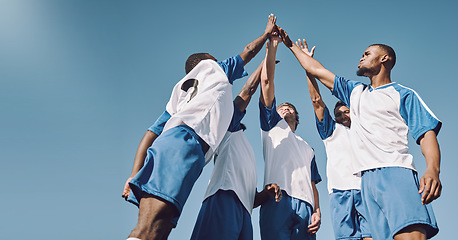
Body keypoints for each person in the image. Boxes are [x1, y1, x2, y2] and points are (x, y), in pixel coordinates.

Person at [121, 14, 278, 240]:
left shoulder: (182, 95)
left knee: (160, 226)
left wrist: (134, 174)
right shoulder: (212, 69)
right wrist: (266, 35)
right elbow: (248, 54)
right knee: (151, 227)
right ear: (207, 61)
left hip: (177, 145)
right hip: (184, 143)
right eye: (215, 58)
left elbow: (151, 133)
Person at [279, 28, 442, 240]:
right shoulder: (355, 92)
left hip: (395, 170)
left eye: (366, 54)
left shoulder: (403, 94)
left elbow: (426, 133)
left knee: (409, 236)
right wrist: (289, 44)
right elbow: (315, 69)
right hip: (366, 181)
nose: (361, 57)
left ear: (384, 58)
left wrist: (433, 169)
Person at [190, 56, 282, 240]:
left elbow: (251, 197)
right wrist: (265, 63)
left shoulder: (245, 146)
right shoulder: (227, 126)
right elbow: (247, 90)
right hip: (223, 196)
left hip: (244, 211)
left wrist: (266, 193)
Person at [297, 39, 372, 240]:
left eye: (345, 112)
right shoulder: (331, 131)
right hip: (340, 191)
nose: (341, 117)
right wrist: (308, 66)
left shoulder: (365, 129)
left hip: (367, 189)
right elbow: (317, 102)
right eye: (337, 114)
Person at [258, 31, 322, 240]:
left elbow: (313, 183)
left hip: (305, 204)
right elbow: (266, 84)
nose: (284, 109)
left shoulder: (308, 147)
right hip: (277, 198)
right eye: (281, 107)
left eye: (289, 108)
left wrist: (317, 210)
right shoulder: (272, 127)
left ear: (296, 116)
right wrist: (272, 45)